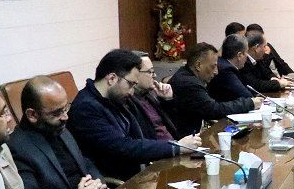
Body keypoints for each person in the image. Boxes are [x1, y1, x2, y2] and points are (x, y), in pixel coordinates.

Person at [68, 49, 201, 180]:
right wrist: (176, 147)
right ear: (112, 78)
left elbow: (144, 135)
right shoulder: (86, 108)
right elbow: (123, 147)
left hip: (142, 171)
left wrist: (167, 102)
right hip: (117, 181)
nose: (132, 92)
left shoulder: (115, 98)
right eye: (130, 84)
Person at [8, 76, 109, 189]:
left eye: (65, 108)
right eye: (56, 113)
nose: (65, 117)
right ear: (32, 115)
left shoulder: (59, 127)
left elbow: (84, 161)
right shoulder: (17, 147)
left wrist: (98, 184)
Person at [167, 41, 260, 137]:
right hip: (184, 140)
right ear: (198, 65)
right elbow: (214, 110)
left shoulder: (187, 75)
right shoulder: (189, 84)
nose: (216, 72)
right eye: (213, 66)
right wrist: (249, 103)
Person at [126, 51, 181, 142]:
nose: (155, 75)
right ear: (134, 73)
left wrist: (167, 100)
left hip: (175, 145)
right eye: (150, 72)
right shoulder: (127, 103)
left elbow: (176, 128)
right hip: (161, 149)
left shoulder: (149, 96)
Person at [208, 35, 262, 102]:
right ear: (239, 55)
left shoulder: (223, 63)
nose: (247, 56)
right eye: (246, 52)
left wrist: (256, 95)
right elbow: (247, 96)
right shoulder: (226, 70)